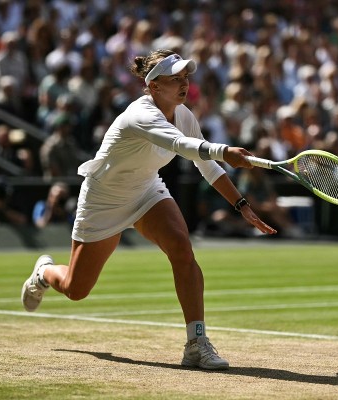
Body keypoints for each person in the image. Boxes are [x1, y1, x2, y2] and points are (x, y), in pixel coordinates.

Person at [20, 49, 276, 370]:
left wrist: (241, 205)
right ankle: (44, 273)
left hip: (145, 191)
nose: (184, 85)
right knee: (75, 289)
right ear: (154, 86)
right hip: (104, 199)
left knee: (183, 250)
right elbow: (183, 146)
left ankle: (196, 343)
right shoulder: (139, 115)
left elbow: (205, 164)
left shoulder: (183, 115)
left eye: (185, 78)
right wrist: (225, 150)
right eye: (175, 79)